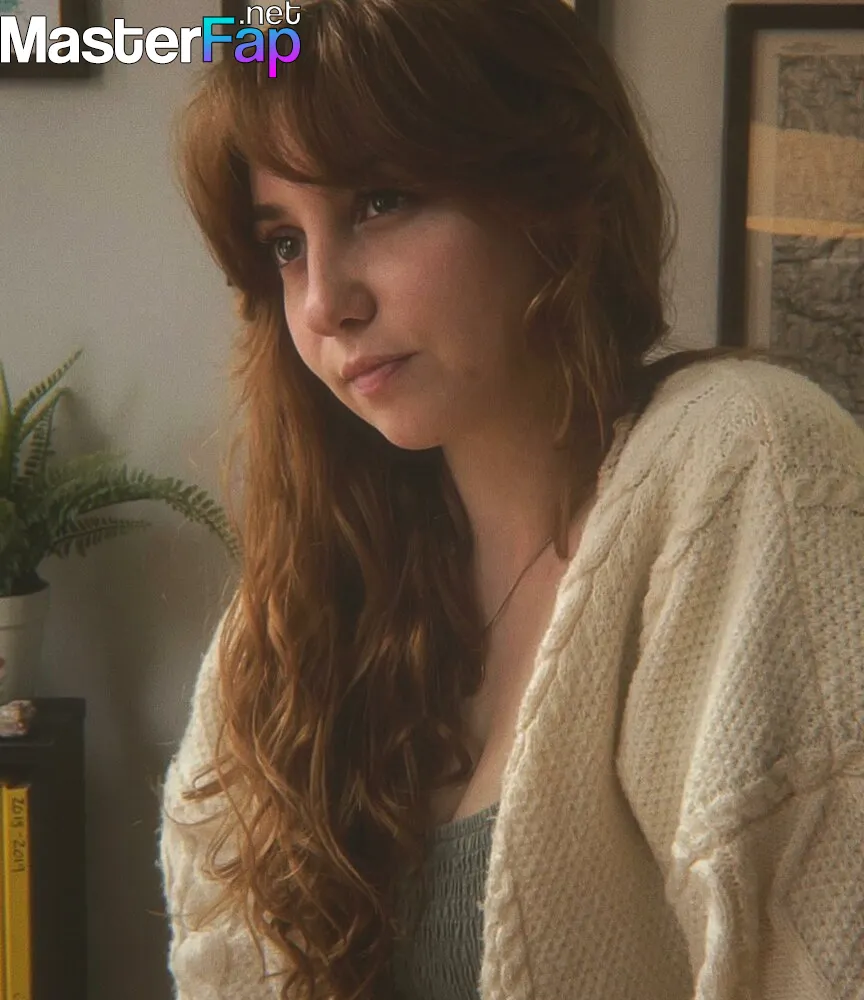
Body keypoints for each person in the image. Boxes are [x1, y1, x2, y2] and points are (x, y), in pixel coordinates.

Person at [157, 0, 864, 998]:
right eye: (284, 243)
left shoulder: (745, 473)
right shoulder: (304, 598)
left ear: (545, 189)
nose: (324, 302)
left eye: (380, 201)